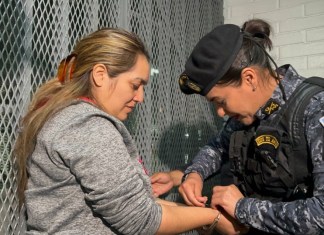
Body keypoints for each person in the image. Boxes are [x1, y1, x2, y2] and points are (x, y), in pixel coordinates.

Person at [13, 28, 247, 235]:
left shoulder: (72, 118)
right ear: (100, 75)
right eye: (135, 85)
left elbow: (138, 208)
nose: (140, 97)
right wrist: (212, 218)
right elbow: (142, 221)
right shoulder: (88, 126)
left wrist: (196, 214)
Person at [151, 19, 324, 234]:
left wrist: (242, 208)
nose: (220, 113)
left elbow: (321, 215)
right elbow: (217, 148)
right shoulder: (245, 113)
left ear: (249, 78)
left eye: (221, 101)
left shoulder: (315, 109)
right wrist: (194, 173)